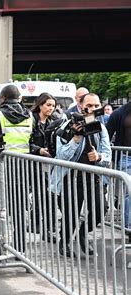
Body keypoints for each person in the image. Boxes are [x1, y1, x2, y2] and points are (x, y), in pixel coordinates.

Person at [53, 93, 111, 257]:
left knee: (101, 209)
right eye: (90, 105)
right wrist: (76, 138)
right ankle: (64, 242)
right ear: (80, 105)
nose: (93, 109)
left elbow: (108, 155)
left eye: (96, 105)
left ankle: (83, 233)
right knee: (71, 213)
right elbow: (61, 155)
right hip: (71, 177)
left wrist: (99, 157)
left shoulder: (101, 128)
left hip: (94, 176)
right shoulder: (67, 126)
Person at [0, 84, 33, 258]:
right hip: (22, 169)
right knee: (18, 210)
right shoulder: (29, 116)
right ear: (19, 99)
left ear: (2, 99)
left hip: (0, 168)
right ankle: (20, 251)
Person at [29, 93, 58, 241]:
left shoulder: (54, 121)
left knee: (47, 195)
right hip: (33, 163)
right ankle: (47, 229)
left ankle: (46, 227)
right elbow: (25, 141)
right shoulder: (31, 120)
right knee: (43, 195)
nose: (51, 108)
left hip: (49, 164)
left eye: (53, 105)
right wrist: (38, 150)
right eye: (48, 105)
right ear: (40, 105)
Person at [107, 101, 131, 229]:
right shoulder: (119, 113)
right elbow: (107, 135)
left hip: (125, 156)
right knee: (129, 192)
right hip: (126, 157)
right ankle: (129, 227)